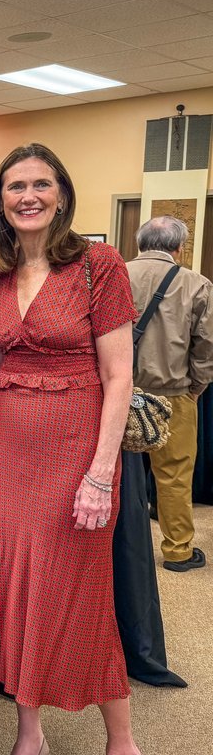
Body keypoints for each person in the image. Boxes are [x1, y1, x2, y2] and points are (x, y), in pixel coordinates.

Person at [0, 144, 147, 755]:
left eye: (41, 184)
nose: (28, 197)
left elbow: (119, 377)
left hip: (76, 446)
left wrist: (101, 474)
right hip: (5, 446)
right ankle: (29, 735)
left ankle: (123, 747)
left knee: (80, 593)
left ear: (63, 194)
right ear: (1, 200)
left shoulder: (98, 265)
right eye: (15, 187)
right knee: (15, 591)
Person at [126, 216, 212, 572]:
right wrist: (197, 386)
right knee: (174, 474)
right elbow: (206, 344)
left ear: (140, 242)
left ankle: (112, 548)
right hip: (174, 394)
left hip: (116, 393)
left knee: (113, 472)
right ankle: (177, 551)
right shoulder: (197, 284)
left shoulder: (115, 275)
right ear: (179, 247)